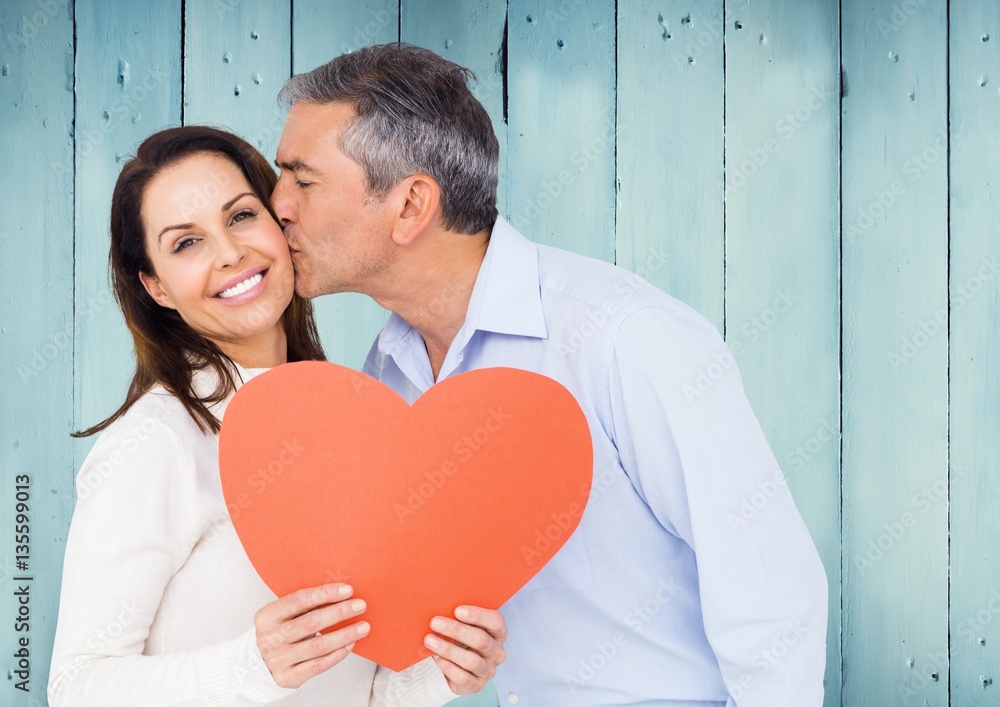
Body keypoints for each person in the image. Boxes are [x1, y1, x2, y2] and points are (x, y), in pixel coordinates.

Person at [271, 43, 829, 706]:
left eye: (301, 180)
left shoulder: (623, 337)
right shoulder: (389, 371)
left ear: (411, 205)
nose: (277, 204)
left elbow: (769, 594)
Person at [47, 125, 507, 706]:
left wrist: (439, 671)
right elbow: (77, 685)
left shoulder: (346, 423)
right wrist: (254, 666)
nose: (230, 252)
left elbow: (358, 692)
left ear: (281, 223)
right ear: (156, 286)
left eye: (240, 216)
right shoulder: (156, 440)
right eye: (185, 243)